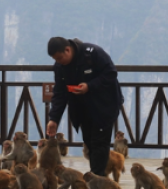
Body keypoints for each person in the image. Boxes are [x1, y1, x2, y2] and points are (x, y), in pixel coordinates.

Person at [46, 37, 123, 177]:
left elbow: (111, 73)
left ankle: (97, 178)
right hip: (82, 110)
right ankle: (97, 177)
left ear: (67, 50)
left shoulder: (92, 53)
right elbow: (59, 93)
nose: (58, 61)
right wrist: (54, 118)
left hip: (104, 106)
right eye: (55, 59)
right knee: (90, 143)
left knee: (100, 143)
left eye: (59, 57)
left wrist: (90, 86)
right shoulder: (60, 67)